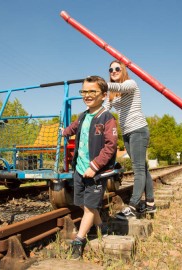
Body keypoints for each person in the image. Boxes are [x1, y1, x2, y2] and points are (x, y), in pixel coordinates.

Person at [61, 76, 118, 259]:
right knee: (86, 204)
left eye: (92, 91)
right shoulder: (83, 116)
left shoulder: (106, 118)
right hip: (80, 168)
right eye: (84, 91)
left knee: (88, 208)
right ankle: (101, 227)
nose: (87, 95)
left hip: (96, 172)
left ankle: (79, 240)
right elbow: (74, 128)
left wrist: (95, 166)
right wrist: (64, 132)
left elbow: (110, 146)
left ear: (103, 95)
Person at [103, 60, 156, 219]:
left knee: (138, 169)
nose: (113, 71)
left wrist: (100, 84)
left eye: (117, 68)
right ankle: (151, 204)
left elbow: (120, 87)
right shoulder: (112, 93)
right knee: (143, 169)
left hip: (138, 130)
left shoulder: (130, 84)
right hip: (126, 133)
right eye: (110, 69)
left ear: (123, 70)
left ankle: (133, 206)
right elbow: (105, 109)